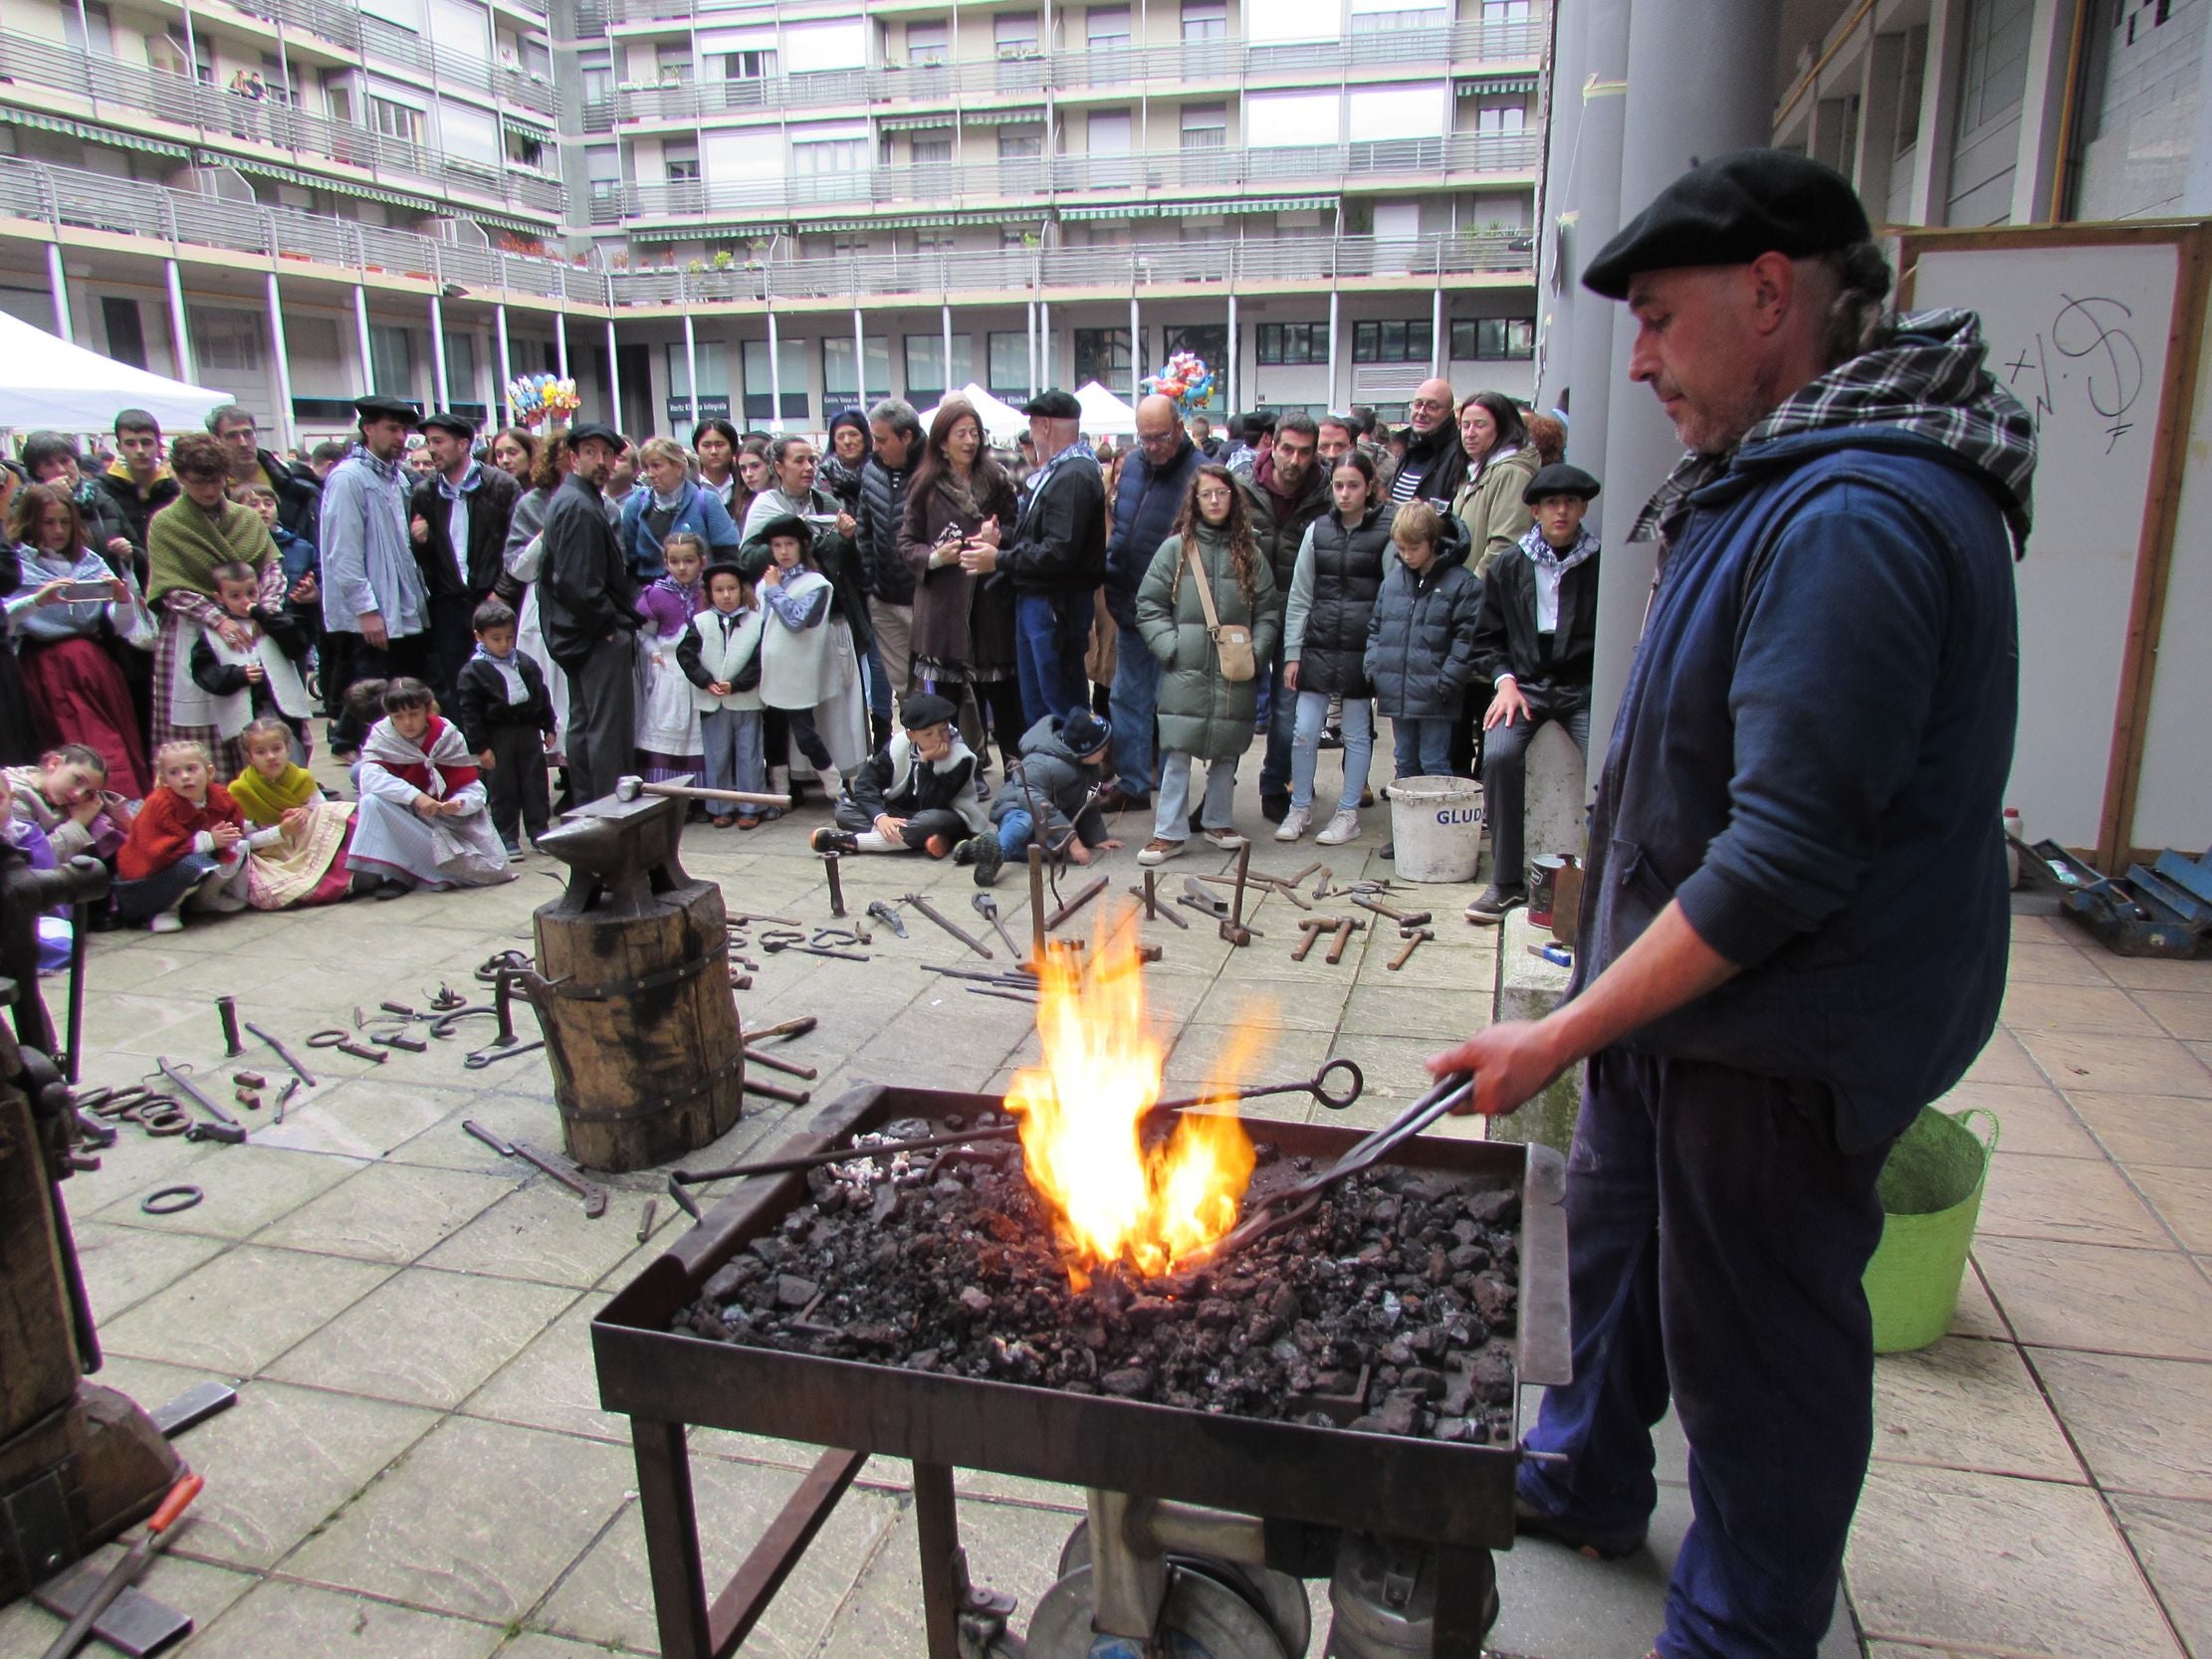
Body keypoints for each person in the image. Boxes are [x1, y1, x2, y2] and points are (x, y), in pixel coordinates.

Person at [1430, 150, 2036, 1659]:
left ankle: (1744, 1622)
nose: (1631, 362)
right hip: (1684, 1002)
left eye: (1652, 318)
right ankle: (1582, 1464)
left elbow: (1780, 860)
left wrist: (1559, 1029)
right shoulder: (1783, 473)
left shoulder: (1854, 514)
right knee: (1624, 1236)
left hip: (1778, 1028)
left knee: (1757, 1340)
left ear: (1769, 296)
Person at [1466, 462, 1601, 923]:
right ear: (1536, 510)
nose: (1560, 512)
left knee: (1610, 760)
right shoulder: (1509, 565)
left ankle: (1604, 876)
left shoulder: (1599, 563)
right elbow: (1485, 638)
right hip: (1525, 684)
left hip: (1581, 686)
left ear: (1583, 507)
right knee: (1500, 754)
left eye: (1569, 503)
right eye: (1550, 504)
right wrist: (1504, 681)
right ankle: (1505, 881)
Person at [1133, 466, 1278, 865]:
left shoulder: (1250, 552)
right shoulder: (1174, 550)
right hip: (1186, 666)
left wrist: (1257, 651)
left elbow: (1267, 610)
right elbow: (1149, 605)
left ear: (1233, 497)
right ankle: (1169, 832)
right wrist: (1171, 645)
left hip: (1235, 668)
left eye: (1221, 493)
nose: (1215, 501)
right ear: (1194, 502)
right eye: (1206, 494)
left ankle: (1218, 821)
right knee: (1177, 749)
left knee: (1227, 749)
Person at [963, 390, 1106, 729]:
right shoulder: (1062, 471)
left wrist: (999, 559)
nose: (1030, 433)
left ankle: (1072, 778)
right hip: (1042, 601)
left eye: (1032, 424)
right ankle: (1051, 776)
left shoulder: (1073, 474)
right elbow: (1048, 540)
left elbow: (1060, 552)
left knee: (1056, 704)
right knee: (1043, 703)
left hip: (1055, 604)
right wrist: (1004, 541)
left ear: (1043, 425)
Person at [901, 397, 1025, 771]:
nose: (970, 441)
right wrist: (936, 557)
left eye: (975, 432)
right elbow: (906, 544)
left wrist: (998, 540)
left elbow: (1019, 532)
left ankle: (1019, 778)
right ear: (942, 441)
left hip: (990, 604)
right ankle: (954, 773)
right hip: (943, 607)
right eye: (961, 434)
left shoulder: (998, 479)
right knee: (946, 704)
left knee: (1004, 698)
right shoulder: (925, 485)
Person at [6, 484, 153, 798]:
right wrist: (39, 601)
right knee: (75, 749)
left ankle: (124, 814)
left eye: (65, 522)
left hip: (94, 665)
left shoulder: (90, 561)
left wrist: (123, 598)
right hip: (46, 669)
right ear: (31, 522)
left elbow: (124, 627)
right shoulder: (17, 565)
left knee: (114, 746)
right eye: (48, 522)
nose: (58, 530)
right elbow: (7, 618)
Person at [1279, 450, 1389, 847]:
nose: (1344, 494)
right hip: (1320, 643)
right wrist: (1293, 651)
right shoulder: (1318, 530)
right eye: (1339, 485)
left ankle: (1347, 812)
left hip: (1361, 645)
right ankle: (1301, 806)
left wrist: (1380, 653)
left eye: (1353, 485)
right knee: (1305, 731)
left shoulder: (1386, 530)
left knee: (1358, 733)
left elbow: (1390, 593)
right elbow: (1300, 593)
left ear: (1369, 487)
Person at [1098, 395, 1202, 815]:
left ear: (1179, 428)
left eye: (1160, 437)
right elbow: (1125, 524)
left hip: (1174, 611)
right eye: (1145, 438)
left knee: (1172, 703)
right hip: (1128, 600)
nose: (1153, 446)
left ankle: (1179, 794)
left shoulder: (1201, 472)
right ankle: (1134, 782)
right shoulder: (1136, 465)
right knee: (1126, 696)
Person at [320, 395, 431, 754]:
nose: (400, 437)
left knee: (398, 683)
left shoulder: (396, 478)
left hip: (401, 604)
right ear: (368, 429)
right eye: (391, 429)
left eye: (403, 430)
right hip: (373, 612)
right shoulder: (349, 479)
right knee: (374, 689)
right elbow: (344, 551)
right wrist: (366, 609)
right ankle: (354, 745)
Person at [538, 422, 640, 807]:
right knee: (604, 730)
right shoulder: (577, 504)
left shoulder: (582, 499)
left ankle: (590, 804)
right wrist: (608, 626)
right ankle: (606, 808)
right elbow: (576, 582)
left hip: (580, 632)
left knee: (585, 723)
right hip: (592, 634)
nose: (601, 461)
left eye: (607, 454)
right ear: (573, 457)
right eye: (591, 452)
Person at [1239, 412, 1330, 822]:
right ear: (1271, 445)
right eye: (1287, 449)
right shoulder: (1242, 486)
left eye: (1304, 452)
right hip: (1248, 612)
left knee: (1287, 707)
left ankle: (1275, 782)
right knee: (1235, 705)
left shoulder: (1326, 495)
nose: (1294, 460)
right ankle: (1220, 788)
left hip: (1300, 613)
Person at [345, 676, 513, 896]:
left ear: (427, 710)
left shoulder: (446, 734)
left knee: (485, 865)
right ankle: (396, 874)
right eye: (399, 716)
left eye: (413, 714)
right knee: (370, 802)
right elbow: (369, 778)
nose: (407, 723)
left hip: (449, 824)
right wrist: (415, 797)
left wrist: (458, 804)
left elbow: (473, 786)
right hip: (407, 814)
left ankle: (437, 873)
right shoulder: (382, 735)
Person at [1365, 501, 1481, 784]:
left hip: (1436, 693)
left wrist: (1448, 681)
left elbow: (1467, 638)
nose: (1406, 556)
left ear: (1433, 541)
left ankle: (1435, 825)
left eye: (1414, 548)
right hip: (1396, 687)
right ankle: (1408, 826)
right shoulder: (1393, 582)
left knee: (1434, 760)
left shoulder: (1462, 584)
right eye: (1400, 549)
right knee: (1404, 759)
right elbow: (1376, 627)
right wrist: (1374, 667)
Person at [409, 410, 519, 696]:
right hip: (450, 604)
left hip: (493, 596)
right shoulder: (426, 492)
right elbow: (427, 559)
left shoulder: (500, 486)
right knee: (457, 683)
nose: (432, 449)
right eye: (428, 442)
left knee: (502, 678)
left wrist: (503, 590)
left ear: (462, 444)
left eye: (438, 441)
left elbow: (517, 544)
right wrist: (421, 541)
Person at [809, 691, 990, 857]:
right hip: (901, 812)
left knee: (929, 822)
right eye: (929, 734)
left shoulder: (960, 757)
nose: (940, 738)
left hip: (945, 813)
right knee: (844, 812)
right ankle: (920, 840)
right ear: (912, 736)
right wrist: (881, 818)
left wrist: (925, 761)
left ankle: (853, 842)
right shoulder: (899, 745)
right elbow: (866, 783)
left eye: (944, 729)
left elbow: (931, 802)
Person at [756, 514, 854, 805]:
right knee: (773, 732)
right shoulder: (767, 583)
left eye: (789, 544)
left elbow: (797, 620)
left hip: (798, 671)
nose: (783, 551)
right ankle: (780, 792)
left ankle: (837, 791)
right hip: (771, 667)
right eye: (776, 545)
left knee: (805, 734)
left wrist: (774, 589)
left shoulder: (816, 584)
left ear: (802, 545)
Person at [962, 708, 1118, 886]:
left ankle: (977, 849)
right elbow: (1031, 800)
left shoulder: (1090, 768)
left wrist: (1097, 837)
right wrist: (1071, 840)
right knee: (1025, 821)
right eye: (1103, 748)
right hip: (1017, 808)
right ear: (1085, 749)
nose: (1106, 751)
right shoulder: (1042, 762)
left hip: (1047, 821)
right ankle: (997, 855)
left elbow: (1088, 803)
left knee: (1052, 850)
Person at [183, 558, 313, 769]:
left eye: (251, 593)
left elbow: (298, 644)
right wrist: (237, 675)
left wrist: (265, 617)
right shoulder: (212, 634)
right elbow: (204, 674)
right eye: (235, 596)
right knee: (255, 764)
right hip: (245, 715)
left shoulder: (274, 622)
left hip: (282, 710)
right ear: (220, 598)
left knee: (293, 758)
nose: (245, 601)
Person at [111, 739, 250, 932]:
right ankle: (165, 909)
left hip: (195, 858)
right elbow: (155, 851)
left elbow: (235, 829)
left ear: (209, 771)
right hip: (150, 877)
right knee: (192, 864)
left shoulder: (222, 798)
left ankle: (206, 898)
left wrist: (228, 838)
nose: (184, 777)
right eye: (174, 772)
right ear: (164, 779)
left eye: (191, 769)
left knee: (239, 849)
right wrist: (209, 840)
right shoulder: (159, 804)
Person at [453, 599, 554, 858]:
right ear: (480, 636)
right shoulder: (473, 672)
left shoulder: (525, 663)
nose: (504, 644)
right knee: (503, 786)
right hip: (498, 736)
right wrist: (480, 747)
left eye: (509, 637)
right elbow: (470, 712)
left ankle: (539, 830)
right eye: (496, 638)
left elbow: (540, 695)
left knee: (535, 782)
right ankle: (507, 836)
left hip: (528, 732)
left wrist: (548, 725)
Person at [227, 717, 355, 909]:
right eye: (261, 752)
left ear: (288, 748)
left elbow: (321, 809)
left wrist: (305, 811)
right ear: (249, 756)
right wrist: (281, 832)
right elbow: (243, 840)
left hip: (305, 842)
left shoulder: (302, 778)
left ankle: (357, 871)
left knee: (338, 811)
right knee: (270, 889)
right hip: (271, 853)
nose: (271, 756)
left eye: (276, 749)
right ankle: (326, 885)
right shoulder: (239, 790)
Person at [675, 558, 766, 827]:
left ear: (742, 591)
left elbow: (760, 662)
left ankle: (752, 806)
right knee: (717, 755)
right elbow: (686, 655)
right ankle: (719, 806)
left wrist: (737, 684)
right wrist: (705, 680)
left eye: (732, 589)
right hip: (712, 700)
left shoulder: (756, 622)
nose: (726, 596)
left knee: (749, 753)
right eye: (719, 590)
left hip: (745, 699)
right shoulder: (701, 622)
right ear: (710, 593)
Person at [857, 397, 923, 726]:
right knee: (904, 689)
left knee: (943, 684)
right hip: (883, 598)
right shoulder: (871, 471)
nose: (875, 446)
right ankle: (917, 753)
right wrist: (871, 582)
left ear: (906, 436)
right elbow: (863, 529)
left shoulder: (933, 469)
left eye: (882, 439)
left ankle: (960, 756)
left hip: (925, 599)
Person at [633, 530, 708, 785]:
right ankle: (665, 789)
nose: (682, 567)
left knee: (698, 730)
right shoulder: (656, 594)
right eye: (674, 562)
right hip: (669, 672)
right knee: (667, 724)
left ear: (702, 561)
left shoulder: (709, 592)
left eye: (689, 560)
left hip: (699, 672)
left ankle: (700, 794)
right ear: (665, 563)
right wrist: (654, 652)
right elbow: (643, 632)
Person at [622, 436, 740, 583]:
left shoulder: (707, 502)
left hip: (700, 594)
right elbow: (629, 561)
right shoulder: (635, 505)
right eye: (646, 467)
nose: (650, 474)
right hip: (651, 596)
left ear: (678, 468)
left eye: (656, 466)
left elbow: (728, 556)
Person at [20, 433, 136, 577]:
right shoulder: (23, 502)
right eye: (49, 464)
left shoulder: (99, 498)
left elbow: (136, 548)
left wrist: (128, 553)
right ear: (37, 471)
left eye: (65, 461)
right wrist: (49, 496)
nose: (61, 470)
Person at [1451, 392, 1539, 577]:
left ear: (1502, 428)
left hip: (1487, 596)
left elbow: (1505, 544)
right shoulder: (1472, 472)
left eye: (1480, 425)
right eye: (1465, 425)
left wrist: (1473, 591)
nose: (1470, 433)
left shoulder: (1512, 473)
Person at [207, 404, 319, 543]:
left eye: (247, 434)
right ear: (216, 440)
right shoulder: (207, 486)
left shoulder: (283, 479)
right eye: (232, 436)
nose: (243, 443)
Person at [6, 745, 128, 867]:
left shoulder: (69, 799)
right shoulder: (11, 797)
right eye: (78, 780)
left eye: (88, 792)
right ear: (54, 763)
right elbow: (33, 861)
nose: (77, 794)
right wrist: (78, 823)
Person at [96, 409, 181, 566]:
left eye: (146, 442)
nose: (140, 450)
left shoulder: (175, 489)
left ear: (159, 445)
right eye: (130, 443)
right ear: (119, 447)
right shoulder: (100, 490)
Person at [1387, 379, 1469, 509]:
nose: (1421, 412)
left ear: (1449, 413)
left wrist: (1427, 517)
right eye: (1418, 404)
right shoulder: (1408, 449)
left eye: (1432, 407)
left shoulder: (1460, 456)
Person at [817, 407, 870, 513]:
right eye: (840, 436)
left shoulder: (880, 470)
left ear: (865, 438)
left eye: (853, 434)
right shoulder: (825, 472)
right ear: (834, 442)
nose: (847, 441)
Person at [692, 417, 742, 516]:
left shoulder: (745, 484)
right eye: (706, 445)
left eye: (720, 445)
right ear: (697, 450)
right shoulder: (687, 486)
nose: (713, 451)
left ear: (732, 448)